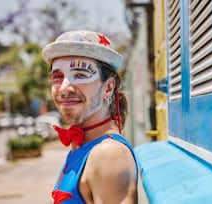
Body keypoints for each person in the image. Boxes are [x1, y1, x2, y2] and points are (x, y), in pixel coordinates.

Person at [42, 30, 138, 204]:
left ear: (108, 88)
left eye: (80, 75)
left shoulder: (108, 154)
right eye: (57, 77)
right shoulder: (83, 147)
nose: (64, 87)